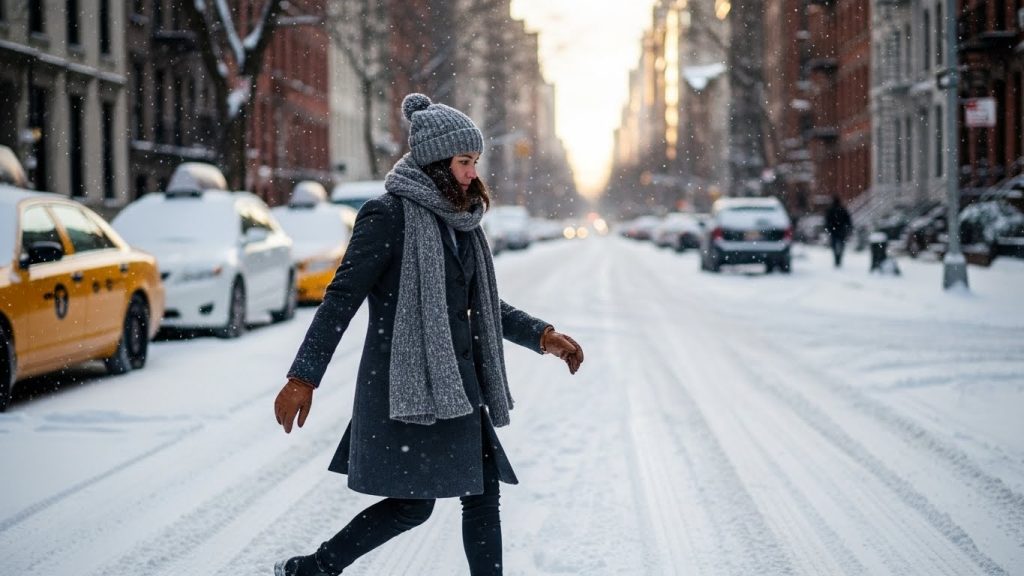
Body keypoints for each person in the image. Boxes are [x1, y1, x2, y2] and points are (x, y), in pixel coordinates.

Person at [272, 93, 584, 576]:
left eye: (475, 162)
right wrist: (303, 376)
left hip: (459, 384)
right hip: (409, 385)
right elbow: (340, 299)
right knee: (411, 506)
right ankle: (313, 569)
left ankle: (313, 570)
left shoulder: (462, 223)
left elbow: (481, 305)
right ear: (437, 161)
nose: (472, 174)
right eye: (464, 162)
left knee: (481, 494)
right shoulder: (388, 216)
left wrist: (543, 335)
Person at [824, 195, 853, 268]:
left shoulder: (830, 210)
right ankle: (839, 257)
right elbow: (848, 220)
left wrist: (828, 228)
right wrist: (849, 227)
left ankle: (836, 258)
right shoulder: (843, 209)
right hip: (841, 230)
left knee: (834, 245)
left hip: (833, 230)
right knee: (842, 245)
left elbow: (827, 221)